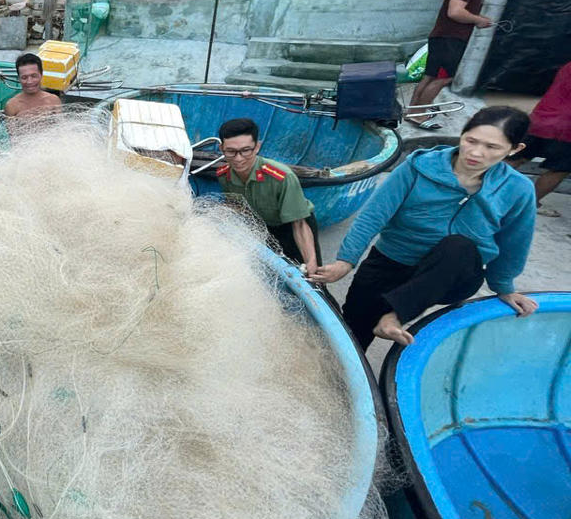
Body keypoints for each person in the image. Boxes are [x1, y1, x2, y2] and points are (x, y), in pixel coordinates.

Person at [312, 107, 538, 349]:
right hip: (393, 261)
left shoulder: (518, 189)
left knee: (459, 246)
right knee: (352, 330)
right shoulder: (418, 167)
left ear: (515, 149)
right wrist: (346, 260)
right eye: (471, 140)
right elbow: (374, 215)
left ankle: (395, 316)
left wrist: (504, 288)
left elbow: (514, 243)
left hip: (453, 274)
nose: (476, 152)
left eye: (492, 147)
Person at [408, 0, 507, 129]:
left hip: (443, 37)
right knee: (442, 78)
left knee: (430, 76)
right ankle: (419, 116)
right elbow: (455, 12)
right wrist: (479, 20)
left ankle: (413, 111)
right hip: (450, 39)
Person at [215, 118, 321, 271]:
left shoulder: (282, 177)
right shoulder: (224, 175)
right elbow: (236, 206)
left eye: (246, 150)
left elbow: (299, 224)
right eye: (231, 151)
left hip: (292, 226)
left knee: (308, 274)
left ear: (257, 147)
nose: (238, 158)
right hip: (262, 227)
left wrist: (311, 261)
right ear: (221, 149)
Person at [511, 59, 571, 217]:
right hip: (567, 129)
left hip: (541, 120)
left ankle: (481, 189)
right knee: (559, 170)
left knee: (516, 158)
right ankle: (531, 204)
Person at [4, 53, 62, 117]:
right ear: (19, 78)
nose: (29, 82)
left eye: (34, 76)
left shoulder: (53, 101)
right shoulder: (12, 106)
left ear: (41, 74)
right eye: (24, 77)